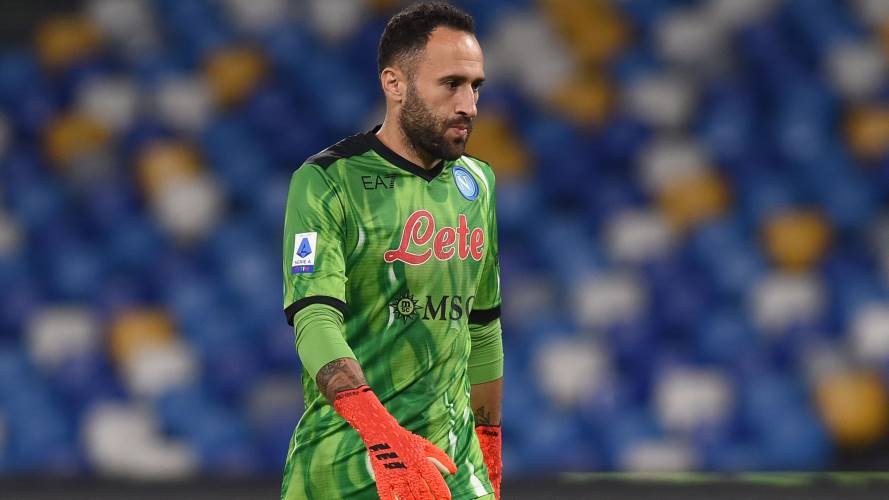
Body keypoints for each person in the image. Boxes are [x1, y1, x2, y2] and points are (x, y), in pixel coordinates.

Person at [280, 2, 503, 499]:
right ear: (394, 84)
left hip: (453, 470)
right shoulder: (326, 181)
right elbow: (314, 320)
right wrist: (384, 438)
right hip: (347, 468)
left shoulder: (478, 183)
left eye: (475, 87)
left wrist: (489, 459)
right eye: (451, 84)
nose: (468, 105)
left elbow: (483, 328)